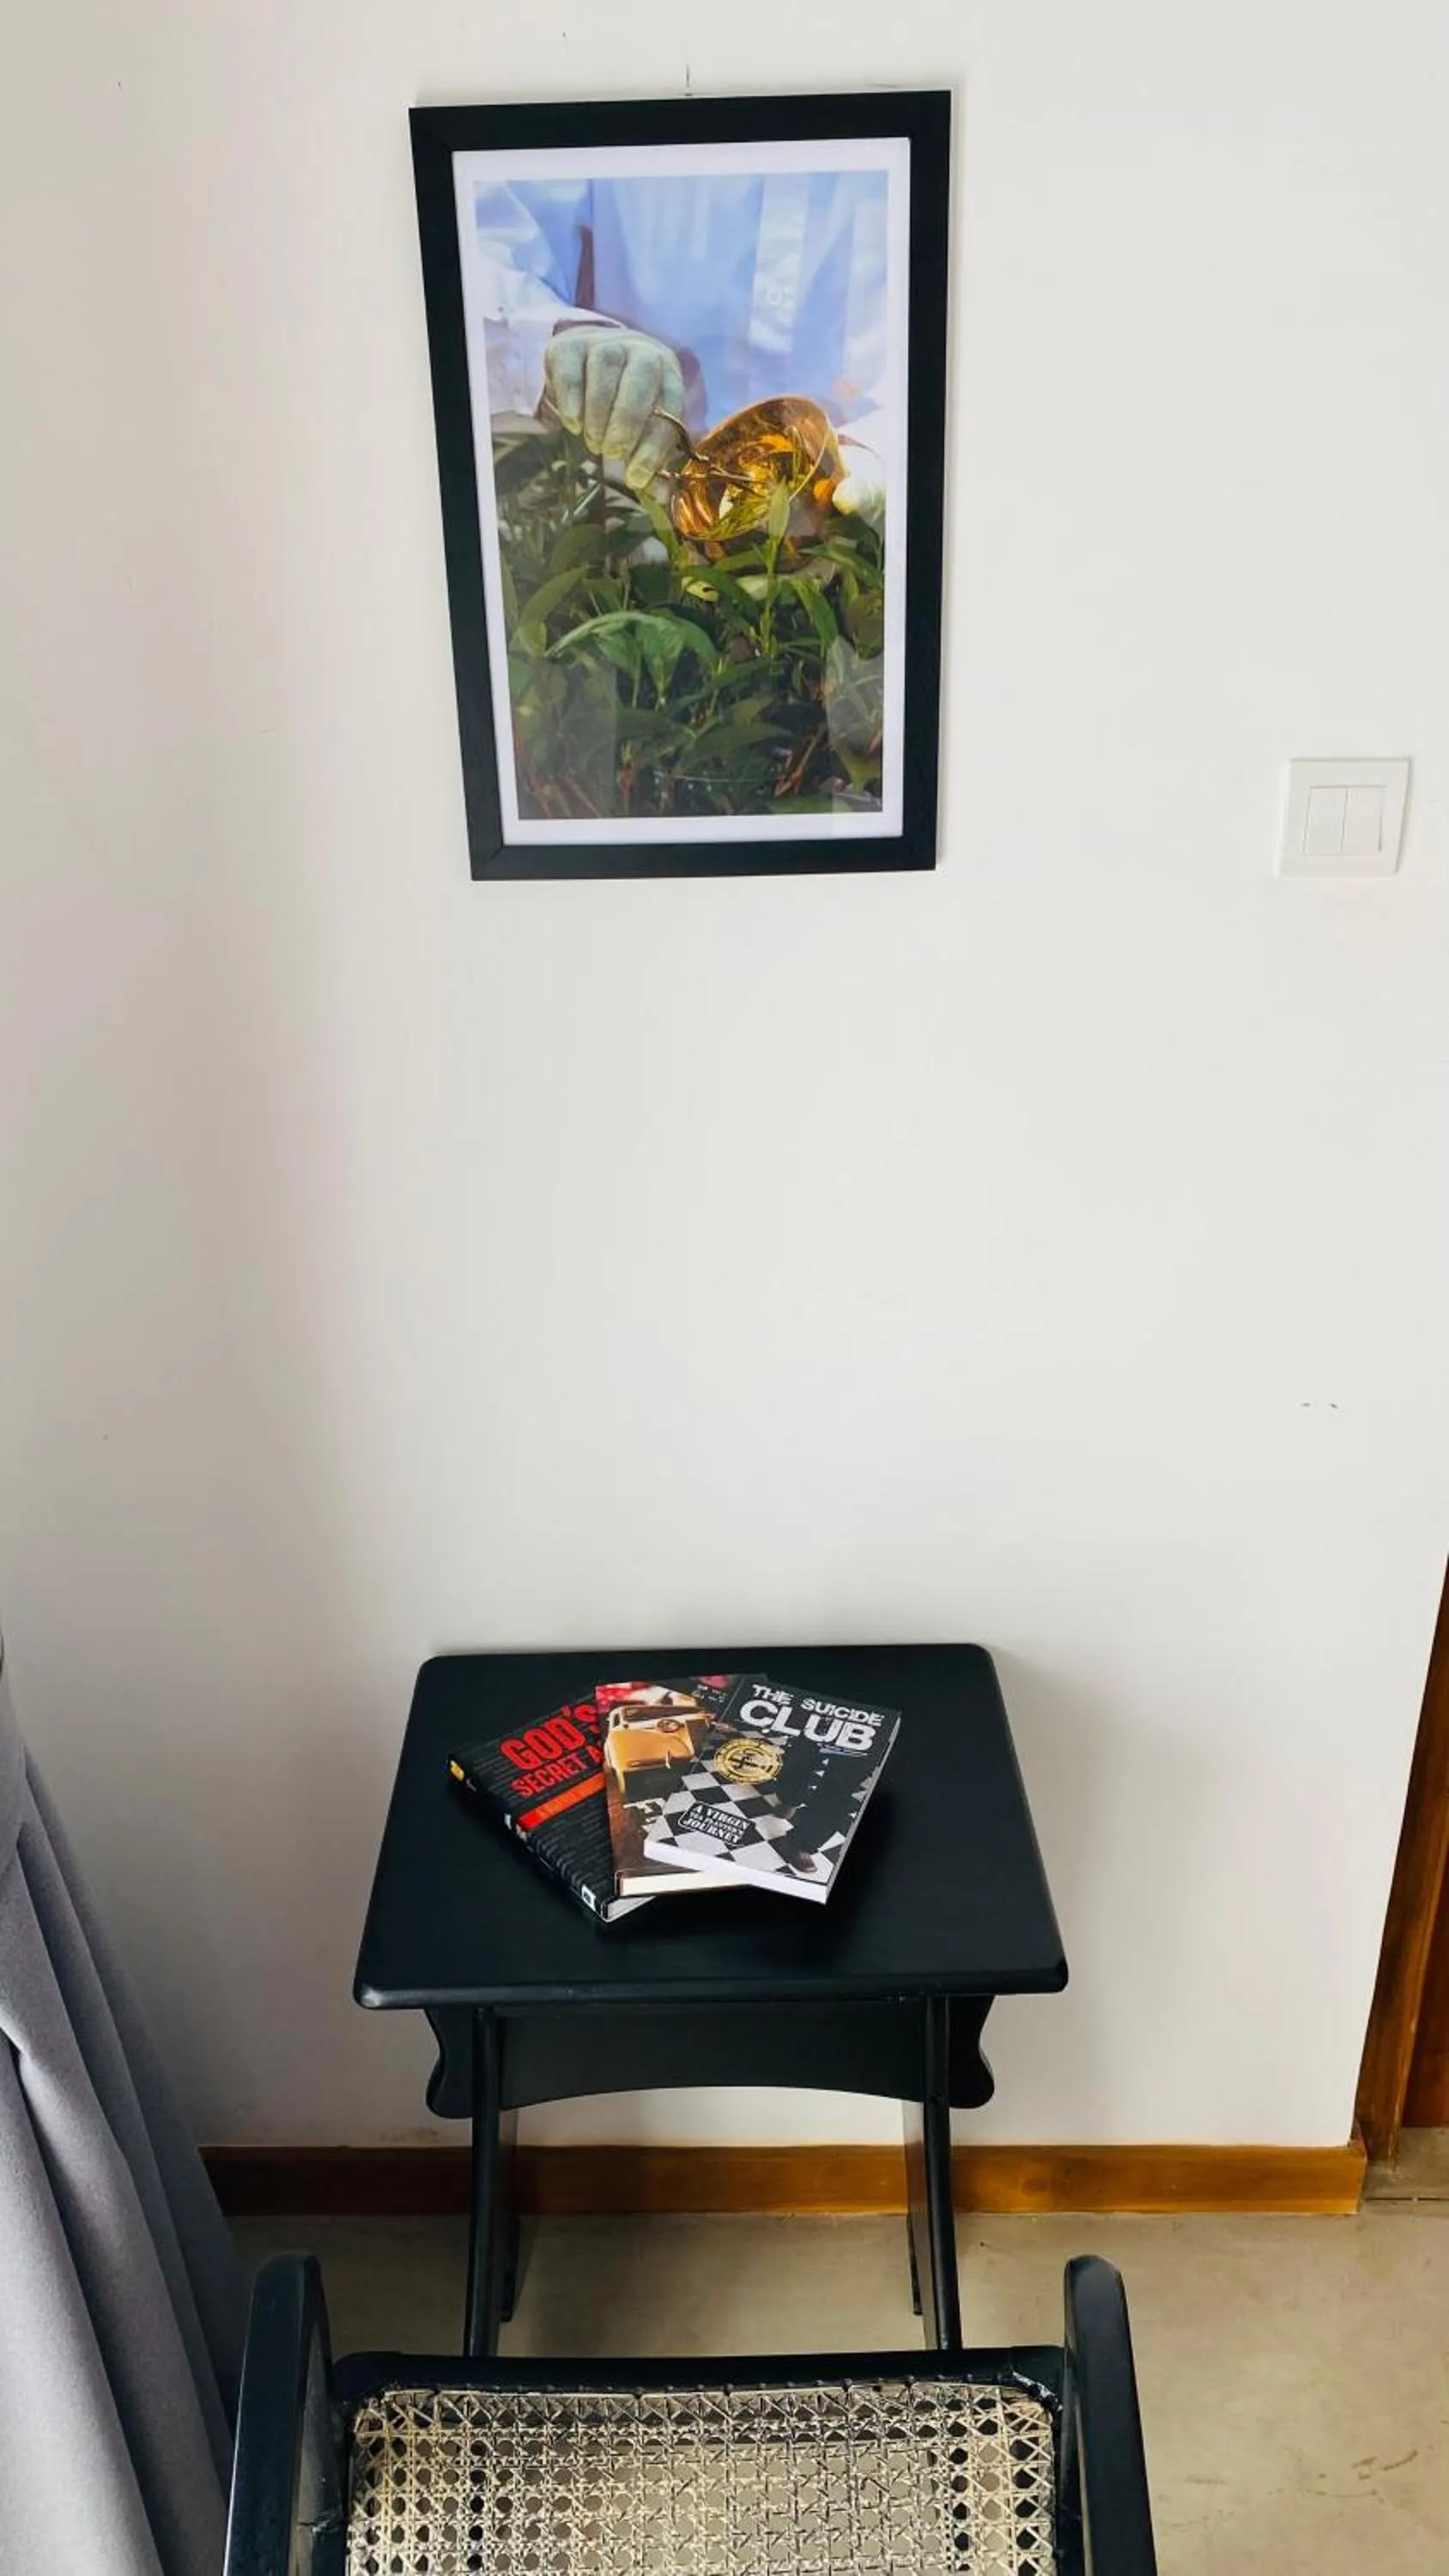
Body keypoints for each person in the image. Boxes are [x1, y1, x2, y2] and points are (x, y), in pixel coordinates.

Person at [468, 169, 890, 524]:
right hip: (636, 555)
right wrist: (557, 337)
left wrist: (882, 453)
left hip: (877, 552)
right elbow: (469, 253)